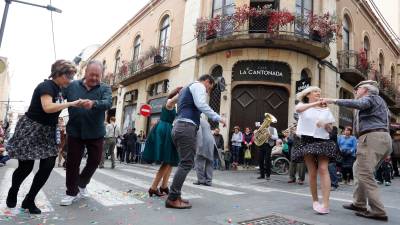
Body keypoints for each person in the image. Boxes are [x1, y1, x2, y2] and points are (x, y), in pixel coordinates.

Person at [6, 60, 80, 214]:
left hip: (47, 132)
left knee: (47, 166)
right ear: (59, 74)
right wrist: (71, 104)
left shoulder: (60, 89)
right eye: (69, 76)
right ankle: (13, 189)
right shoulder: (46, 86)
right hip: (31, 129)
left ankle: (29, 199)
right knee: (26, 168)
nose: (71, 79)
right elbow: (47, 107)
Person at [322, 80, 391, 221]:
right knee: (358, 168)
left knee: (365, 174)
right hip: (380, 138)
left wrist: (333, 100)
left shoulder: (371, 98)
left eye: (357, 89)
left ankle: (378, 211)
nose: (355, 92)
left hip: (372, 138)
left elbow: (360, 104)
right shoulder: (380, 103)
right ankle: (359, 203)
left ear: (366, 90)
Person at [166, 74, 226, 209]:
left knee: (184, 163)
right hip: (186, 127)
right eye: (209, 88)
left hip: (178, 127)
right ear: (207, 81)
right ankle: (173, 198)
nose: (207, 91)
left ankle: (176, 195)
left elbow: (169, 103)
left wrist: (172, 106)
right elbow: (201, 104)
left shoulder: (185, 89)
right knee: (186, 163)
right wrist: (218, 118)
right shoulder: (198, 86)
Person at [60, 60, 112, 206]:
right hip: (75, 131)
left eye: (98, 75)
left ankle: (81, 183)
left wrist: (94, 103)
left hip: (96, 132)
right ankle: (71, 192)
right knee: (72, 163)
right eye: (92, 75)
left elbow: (108, 103)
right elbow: (58, 96)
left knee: (95, 161)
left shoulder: (105, 88)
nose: (94, 78)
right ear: (85, 72)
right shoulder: (72, 85)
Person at [294, 86, 340, 214]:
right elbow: (298, 109)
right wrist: (316, 103)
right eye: (315, 92)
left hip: (323, 141)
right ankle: (315, 200)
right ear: (308, 94)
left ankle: (325, 204)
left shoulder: (326, 109)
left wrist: (325, 125)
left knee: (323, 169)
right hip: (307, 140)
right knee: (312, 172)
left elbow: (331, 129)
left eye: (320, 92)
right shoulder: (303, 106)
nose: (318, 94)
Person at [142, 87, 181, 197]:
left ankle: (164, 186)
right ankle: (153, 187)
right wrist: (183, 92)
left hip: (166, 129)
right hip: (165, 130)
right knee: (167, 160)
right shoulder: (169, 102)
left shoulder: (172, 104)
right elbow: (174, 99)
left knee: (170, 160)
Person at [194, 118, 217, 186]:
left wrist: (199, 145)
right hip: (211, 142)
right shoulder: (205, 121)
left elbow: (199, 132)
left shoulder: (196, 120)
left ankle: (201, 180)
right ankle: (208, 181)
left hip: (203, 142)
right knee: (209, 161)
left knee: (198, 161)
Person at [328, 126, 340, 191]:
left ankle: (334, 184)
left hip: (332, 153)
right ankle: (329, 183)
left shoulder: (334, 129)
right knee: (328, 169)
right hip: (327, 152)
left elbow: (331, 136)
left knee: (331, 167)